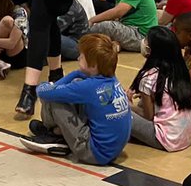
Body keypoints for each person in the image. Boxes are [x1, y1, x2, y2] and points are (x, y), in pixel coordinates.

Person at [20, 33, 132, 163]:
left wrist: (72, 75)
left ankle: (54, 135)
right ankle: (59, 132)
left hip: (93, 152)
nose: (78, 58)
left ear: (93, 65)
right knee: (76, 88)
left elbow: (42, 92)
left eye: (82, 57)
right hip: (112, 150)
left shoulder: (89, 86)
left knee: (54, 99)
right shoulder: (111, 79)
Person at [127, 25, 191, 152]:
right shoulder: (180, 70)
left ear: (152, 49)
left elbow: (148, 116)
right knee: (143, 103)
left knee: (118, 111)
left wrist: (128, 105)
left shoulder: (148, 77)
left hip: (165, 139)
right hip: (186, 136)